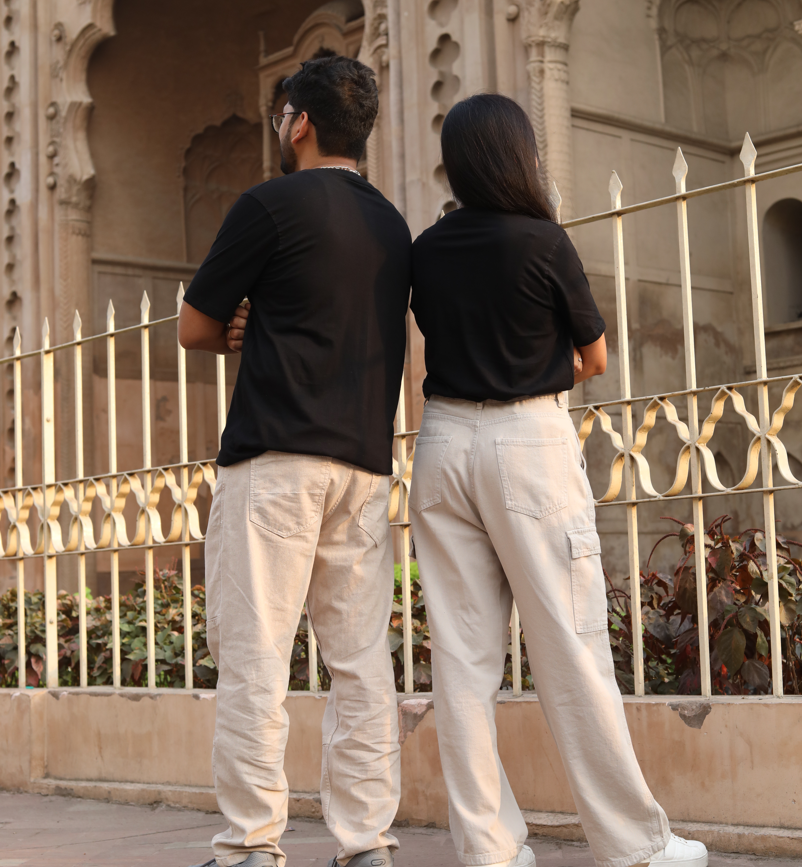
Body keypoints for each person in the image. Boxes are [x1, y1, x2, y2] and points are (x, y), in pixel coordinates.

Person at [408, 94, 708, 867]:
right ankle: (633, 845)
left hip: (441, 442)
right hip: (526, 438)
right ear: (519, 156)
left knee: (462, 661)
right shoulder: (543, 241)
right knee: (571, 648)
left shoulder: (428, 249)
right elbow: (596, 357)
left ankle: (490, 851)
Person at [178, 55, 411, 867]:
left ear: (299, 121)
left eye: (282, 114)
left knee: (254, 659)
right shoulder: (391, 222)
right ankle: (366, 842)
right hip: (362, 466)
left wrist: (240, 326)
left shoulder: (268, 205)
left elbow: (193, 327)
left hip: (275, 459)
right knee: (359, 664)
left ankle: (249, 846)